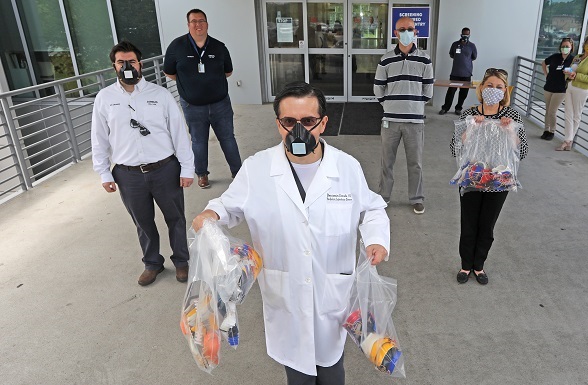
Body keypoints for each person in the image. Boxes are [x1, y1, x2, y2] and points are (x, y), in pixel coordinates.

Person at [191, 82, 390, 384]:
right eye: (289, 122)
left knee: (332, 369)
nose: (298, 130)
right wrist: (210, 214)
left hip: (331, 294)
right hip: (286, 294)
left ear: (323, 123)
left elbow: (373, 207)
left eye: (308, 121)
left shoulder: (346, 167)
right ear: (278, 124)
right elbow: (226, 205)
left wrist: (377, 239)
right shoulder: (257, 168)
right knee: (297, 374)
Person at [91, 41, 195, 286]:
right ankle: (152, 263)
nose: (127, 66)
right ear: (114, 66)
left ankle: (181, 260)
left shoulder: (160, 95)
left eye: (132, 61)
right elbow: (99, 138)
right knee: (143, 222)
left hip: (165, 169)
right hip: (128, 175)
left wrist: (187, 167)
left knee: (175, 218)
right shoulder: (104, 98)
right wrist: (104, 173)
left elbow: (179, 132)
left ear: (140, 64)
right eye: (121, 62)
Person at [455, 68, 528, 285]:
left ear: (505, 91)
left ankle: (479, 265)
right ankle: (465, 265)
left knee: (487, 225)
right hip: (472, 177)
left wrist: (510, 131)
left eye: (499, 87)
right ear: (481, 88)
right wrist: (472, 128)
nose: (494, 90)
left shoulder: (512, 116)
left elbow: (521, 151)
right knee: (469, 222)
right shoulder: (469, 114)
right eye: (489, 85)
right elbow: (456, 147)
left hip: (499, 179)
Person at [163, 8, 242, 189]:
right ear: (188, 24)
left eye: (201, 21)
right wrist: (190, 84)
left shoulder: (219, 47)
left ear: (207, 24)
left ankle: (238, 172)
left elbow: (228, 71)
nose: (198, 24)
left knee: (228, 138)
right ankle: (202, 174)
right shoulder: (176, 47)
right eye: (194, 21)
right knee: (198, 141)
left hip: (220, 103)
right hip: (193, 106)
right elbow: (169, 72)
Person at [374, 16, 434, 214]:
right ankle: (383, 197)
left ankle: (417, 198)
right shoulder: (386, 59)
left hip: (414, 122)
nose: (406, 32)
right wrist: (389, 106)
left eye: (410, 28)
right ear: (395, 33)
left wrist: (414, 106)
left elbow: (428, 91)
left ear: (416, 32)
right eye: (402, 29)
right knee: (386, 161)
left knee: (415, 163)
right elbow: (378, 89)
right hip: (390, 121)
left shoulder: (425, 59)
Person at [556, 34, 588, 151]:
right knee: (568, 114)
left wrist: (576, 75)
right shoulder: (578, 56)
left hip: (582, 89)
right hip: (570, 86)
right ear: (584, 44)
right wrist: (567, 71)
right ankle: (568, 139)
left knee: (576, 115)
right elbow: (572, 69)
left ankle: (568, 141)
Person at [540, 38, 575, 140]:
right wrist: (546, 74)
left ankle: (552, 131)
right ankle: (546, 130)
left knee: (552, 111)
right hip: (549, 87)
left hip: (560, 89)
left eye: (567, 46)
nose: (565, 48)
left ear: (571, 47)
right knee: (547, 111)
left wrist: (568, 71)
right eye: (563, 46)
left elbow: (574, 72)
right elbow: (544, 63)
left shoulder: (573, 59)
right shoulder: (555, 57)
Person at [439, 27, 477, 116]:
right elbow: (451, 54)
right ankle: (445, 108)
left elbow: (474, 57)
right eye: (464, 34)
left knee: (463, 93)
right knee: (451, 92)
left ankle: (458, 108)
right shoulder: (455, 44)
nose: (465, 36)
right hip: (455, 73)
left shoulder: (472, 46)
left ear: (469, 35)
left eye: (467, 35)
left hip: (467, 74)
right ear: (461, 34)